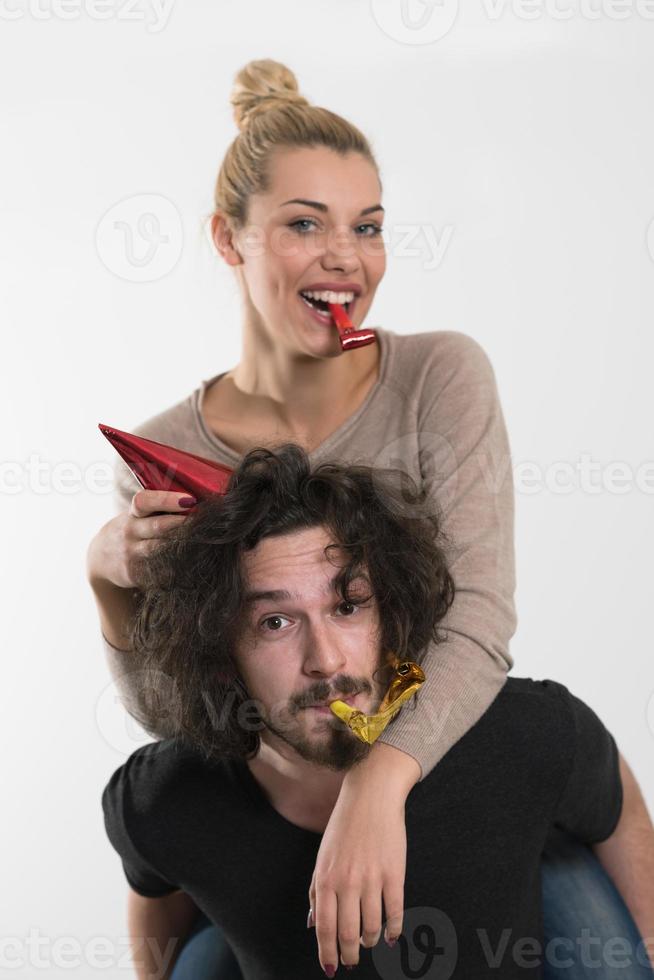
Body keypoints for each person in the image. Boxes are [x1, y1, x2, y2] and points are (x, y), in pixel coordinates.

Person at [87, 58, 650, 978]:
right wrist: (107, 583)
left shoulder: (439, 376)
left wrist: (378, 785)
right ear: (230, 240)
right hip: (281, 802)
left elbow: (479, 617)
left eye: (370, 227)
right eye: (305, 224)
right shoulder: (164, 450)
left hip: (448, 767)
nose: (347, 257)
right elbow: (185, 708)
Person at [101, 444, 654, 979]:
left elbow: (616, 809)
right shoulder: (163, 796)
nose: (326, 660)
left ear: (391, 612)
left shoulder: (524, 733)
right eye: (275, 622)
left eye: (348, 605)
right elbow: (155, 892)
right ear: (220, 651)